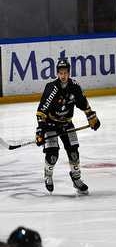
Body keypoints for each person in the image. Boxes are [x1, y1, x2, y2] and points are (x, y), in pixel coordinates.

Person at [36, 58, 101, 195]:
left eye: (65, 72)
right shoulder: (51, 88)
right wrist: (40, 131)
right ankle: (48, 175)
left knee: (74, 153)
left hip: (67, 123)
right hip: (51, 123)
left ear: (69, 73)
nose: (63, 75)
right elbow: (41, 112)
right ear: (57, 74)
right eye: (61, 73)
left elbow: (83, 103)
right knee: (52, 154)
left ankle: (76, 179)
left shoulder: (75, 86)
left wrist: (92, 117)